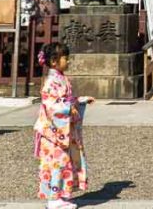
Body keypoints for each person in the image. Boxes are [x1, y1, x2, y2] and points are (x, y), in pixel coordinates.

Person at [34, 42, 94, 209]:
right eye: (65, 58)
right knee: (56, 163)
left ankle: (60, 195)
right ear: (54, 61)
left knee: (64, 162)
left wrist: (79, 101)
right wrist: (69, 108)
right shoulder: (51, 82)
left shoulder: (61, 79)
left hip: (60, 131)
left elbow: (66, 99)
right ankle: (53, 199)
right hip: (53, 132)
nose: (68, 62)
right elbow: (52, 106)